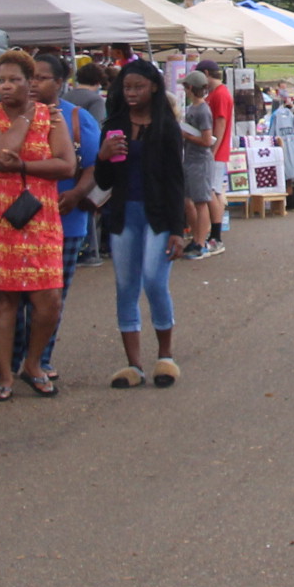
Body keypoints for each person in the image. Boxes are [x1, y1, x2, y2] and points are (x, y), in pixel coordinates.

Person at [0, 48, 77, 400]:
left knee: (48, 297)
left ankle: (33, 363)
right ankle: (5, 374)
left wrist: (23, 167)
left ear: (29, 82)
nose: (6, 86)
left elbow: (66, 165)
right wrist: (27, 119)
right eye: (1, 80)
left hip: (39, 211)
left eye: (15, 80)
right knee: (2, 298)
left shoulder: (55, 118)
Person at [5, 52, 100, 382]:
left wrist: (75, 194)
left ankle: (40, 359)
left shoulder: (76, 119)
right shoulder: (1, 115)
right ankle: (3, 359)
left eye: (41, 78)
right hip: (14, 219)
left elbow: (92, 166)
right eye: (28, 77)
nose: (32, 84)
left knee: (50, 296)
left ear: (60, 83)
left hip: (63, 220)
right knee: (8, 293)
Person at [94, 59, 188, 389]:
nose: (131, 93)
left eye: (138, 87)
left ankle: (166, 355)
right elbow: (103, 181)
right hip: (123, 215)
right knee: (125, 285)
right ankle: (133, 364)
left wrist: (178, 229)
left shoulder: (166, 127)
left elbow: (177, 180)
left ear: (153, 88)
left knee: (153, 279)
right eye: (126, 87)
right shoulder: (114, 125)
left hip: (159, 215)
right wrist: (102, 155)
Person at [177, 69, 220, 258]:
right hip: (191, 159)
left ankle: (201, 243)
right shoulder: (193, 108)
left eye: (186, 86)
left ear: (191, 88)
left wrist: (185, 135)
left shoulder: (202, 110)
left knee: (201, 202)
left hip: (200, 160)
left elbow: (206, 139)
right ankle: (196, 238)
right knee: (189, 201)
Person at [198, 58, 236, 248]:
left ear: (206, 73)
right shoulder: (219, 93)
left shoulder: (219, 94)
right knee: (215, 190)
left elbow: (220, 123)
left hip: (215, 151)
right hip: (217, 150)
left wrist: (212, 150)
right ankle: (215, 233)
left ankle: (215, 235)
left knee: (211, 191)